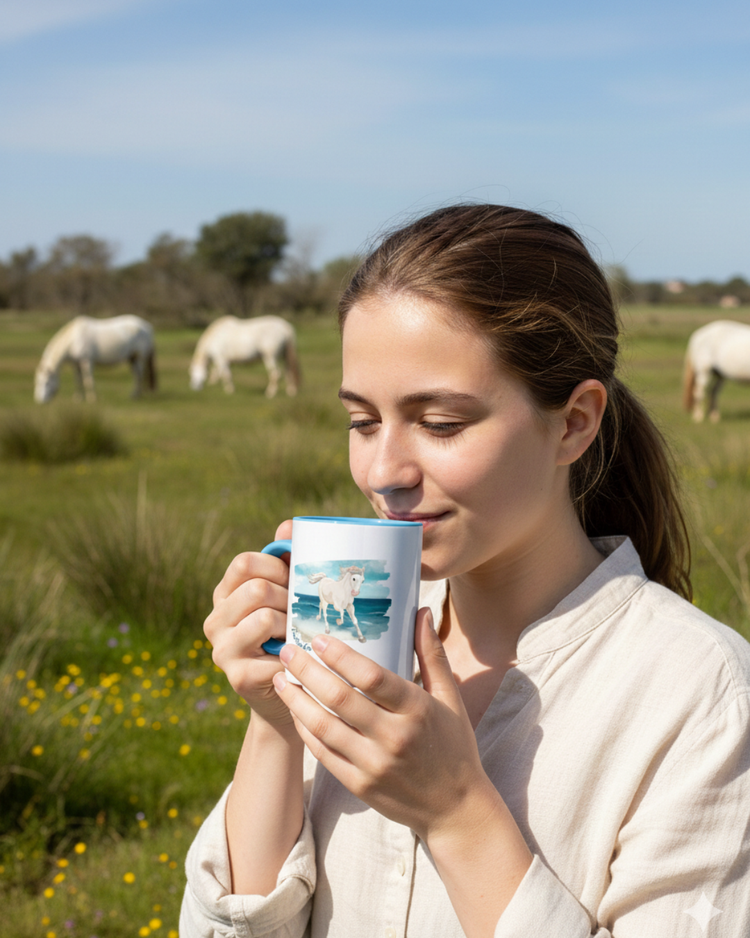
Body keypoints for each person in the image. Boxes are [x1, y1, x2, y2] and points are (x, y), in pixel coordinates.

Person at [180, 204, 750, 937]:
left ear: (574, 423)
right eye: (362, 422)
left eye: (441, 424)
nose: (383, 471)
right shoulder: (352, 634)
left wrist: (455, 813)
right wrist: (275, 725)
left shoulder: (704, 701)